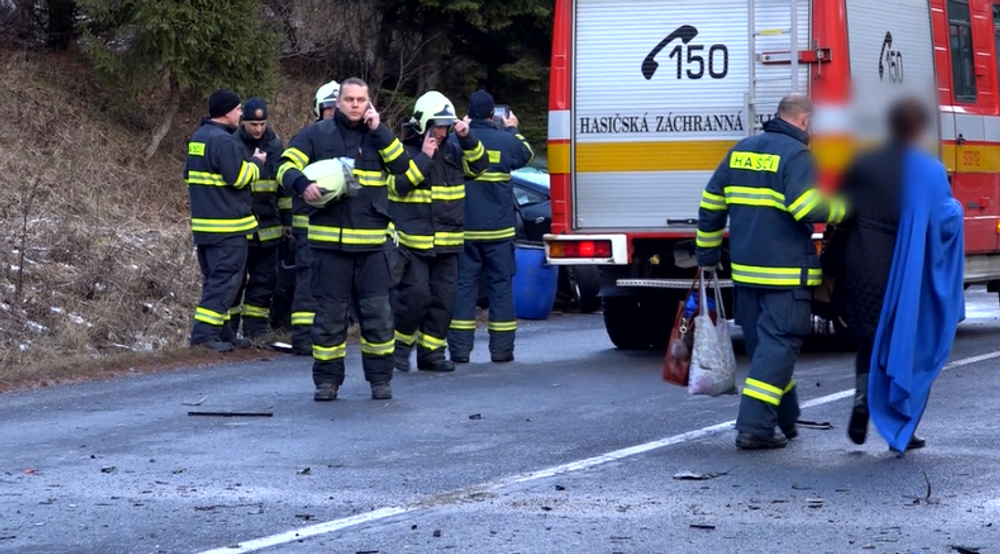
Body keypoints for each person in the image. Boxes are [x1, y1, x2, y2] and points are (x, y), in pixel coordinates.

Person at [696, 94, 847, 450]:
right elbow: (807, 207)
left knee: (766, 350)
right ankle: (755, 427)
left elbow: (711, 202)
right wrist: (846, 208)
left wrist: (707, 253)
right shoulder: (797, 156)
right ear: (806, 120)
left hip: (746, 276)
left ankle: (785, 418)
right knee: (778, 348)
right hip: (785, 276)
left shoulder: (741, 150)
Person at [826, 96, 965, 453]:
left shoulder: (863, 162)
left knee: (869, 339)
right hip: (908, 272)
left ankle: (861, 399)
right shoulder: (929, 170)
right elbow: (944, 220)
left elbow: (839, 211)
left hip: (864, 264)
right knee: (912, 341)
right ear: (918, 129)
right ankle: (904, 424)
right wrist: (958, 209)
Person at [277, 77, 414, 401]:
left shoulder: (380, 137)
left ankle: (380, 380)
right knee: (329, 320)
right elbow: (283, 166)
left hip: (371, 248)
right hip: (329, 248)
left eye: (361, 99)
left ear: (369, 103)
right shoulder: (316, 135)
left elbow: (403, 167)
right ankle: (326, 382)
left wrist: (380, 131)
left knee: (378, 318)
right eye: (349, 99)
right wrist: (301, 184)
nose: (355, 104)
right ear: (337, 102)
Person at [388, 90, 489, 373]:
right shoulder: (403, 151)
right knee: (415, 298)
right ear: (423, 124)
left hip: (448, 243)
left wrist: (467, 136)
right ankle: (399, 349)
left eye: (446, 126)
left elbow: (480, 166)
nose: (442, 132)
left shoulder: (455, 150)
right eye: (438, 126)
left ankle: (431, 353)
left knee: (443, 301)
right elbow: (396, 187)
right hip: (413, 243)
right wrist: (424, 158)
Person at [447, 90, 534, 364]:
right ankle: (502, 350)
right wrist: (513, 129)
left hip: (465, 230)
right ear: (491, 115)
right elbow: (527, 153)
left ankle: (460, 351)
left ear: (468, 115)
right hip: (499, 232)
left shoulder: (454, 141)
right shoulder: (506, 141)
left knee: (463, 288)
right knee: (501, 288)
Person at [185, 89, 266, 352]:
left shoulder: (198, 138)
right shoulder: (226, 142)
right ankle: (203, 336)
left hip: (205, 228)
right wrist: (256, 163)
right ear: (227, 111)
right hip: (228, 228)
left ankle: (225, 333)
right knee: (225, 282)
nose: (241, 113)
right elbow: (239, 177)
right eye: (238, 109)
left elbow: (190, 177)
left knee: (215, 280)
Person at [286, 80, 341, 356]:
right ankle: (304, 337)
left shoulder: (354, 138)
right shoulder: (308, 137)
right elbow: (288, 169)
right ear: (319, 110)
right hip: (309, 222)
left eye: (336, 107)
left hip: (343, 226)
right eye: (328, 108)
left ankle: (329, 334)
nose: (333, 113)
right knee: (308, 279)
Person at [231, 97, 285, 340]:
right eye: (253, 124)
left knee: (264, 282)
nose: (258, 129)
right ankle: (228, 331)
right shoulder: (232, 145)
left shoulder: (275, 145)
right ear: (243, 122)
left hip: (270, 227)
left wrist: (288, 221)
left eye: (262, 124)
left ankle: (255, 330)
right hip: (242, 228)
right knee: (235, 282)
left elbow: (283, 186)